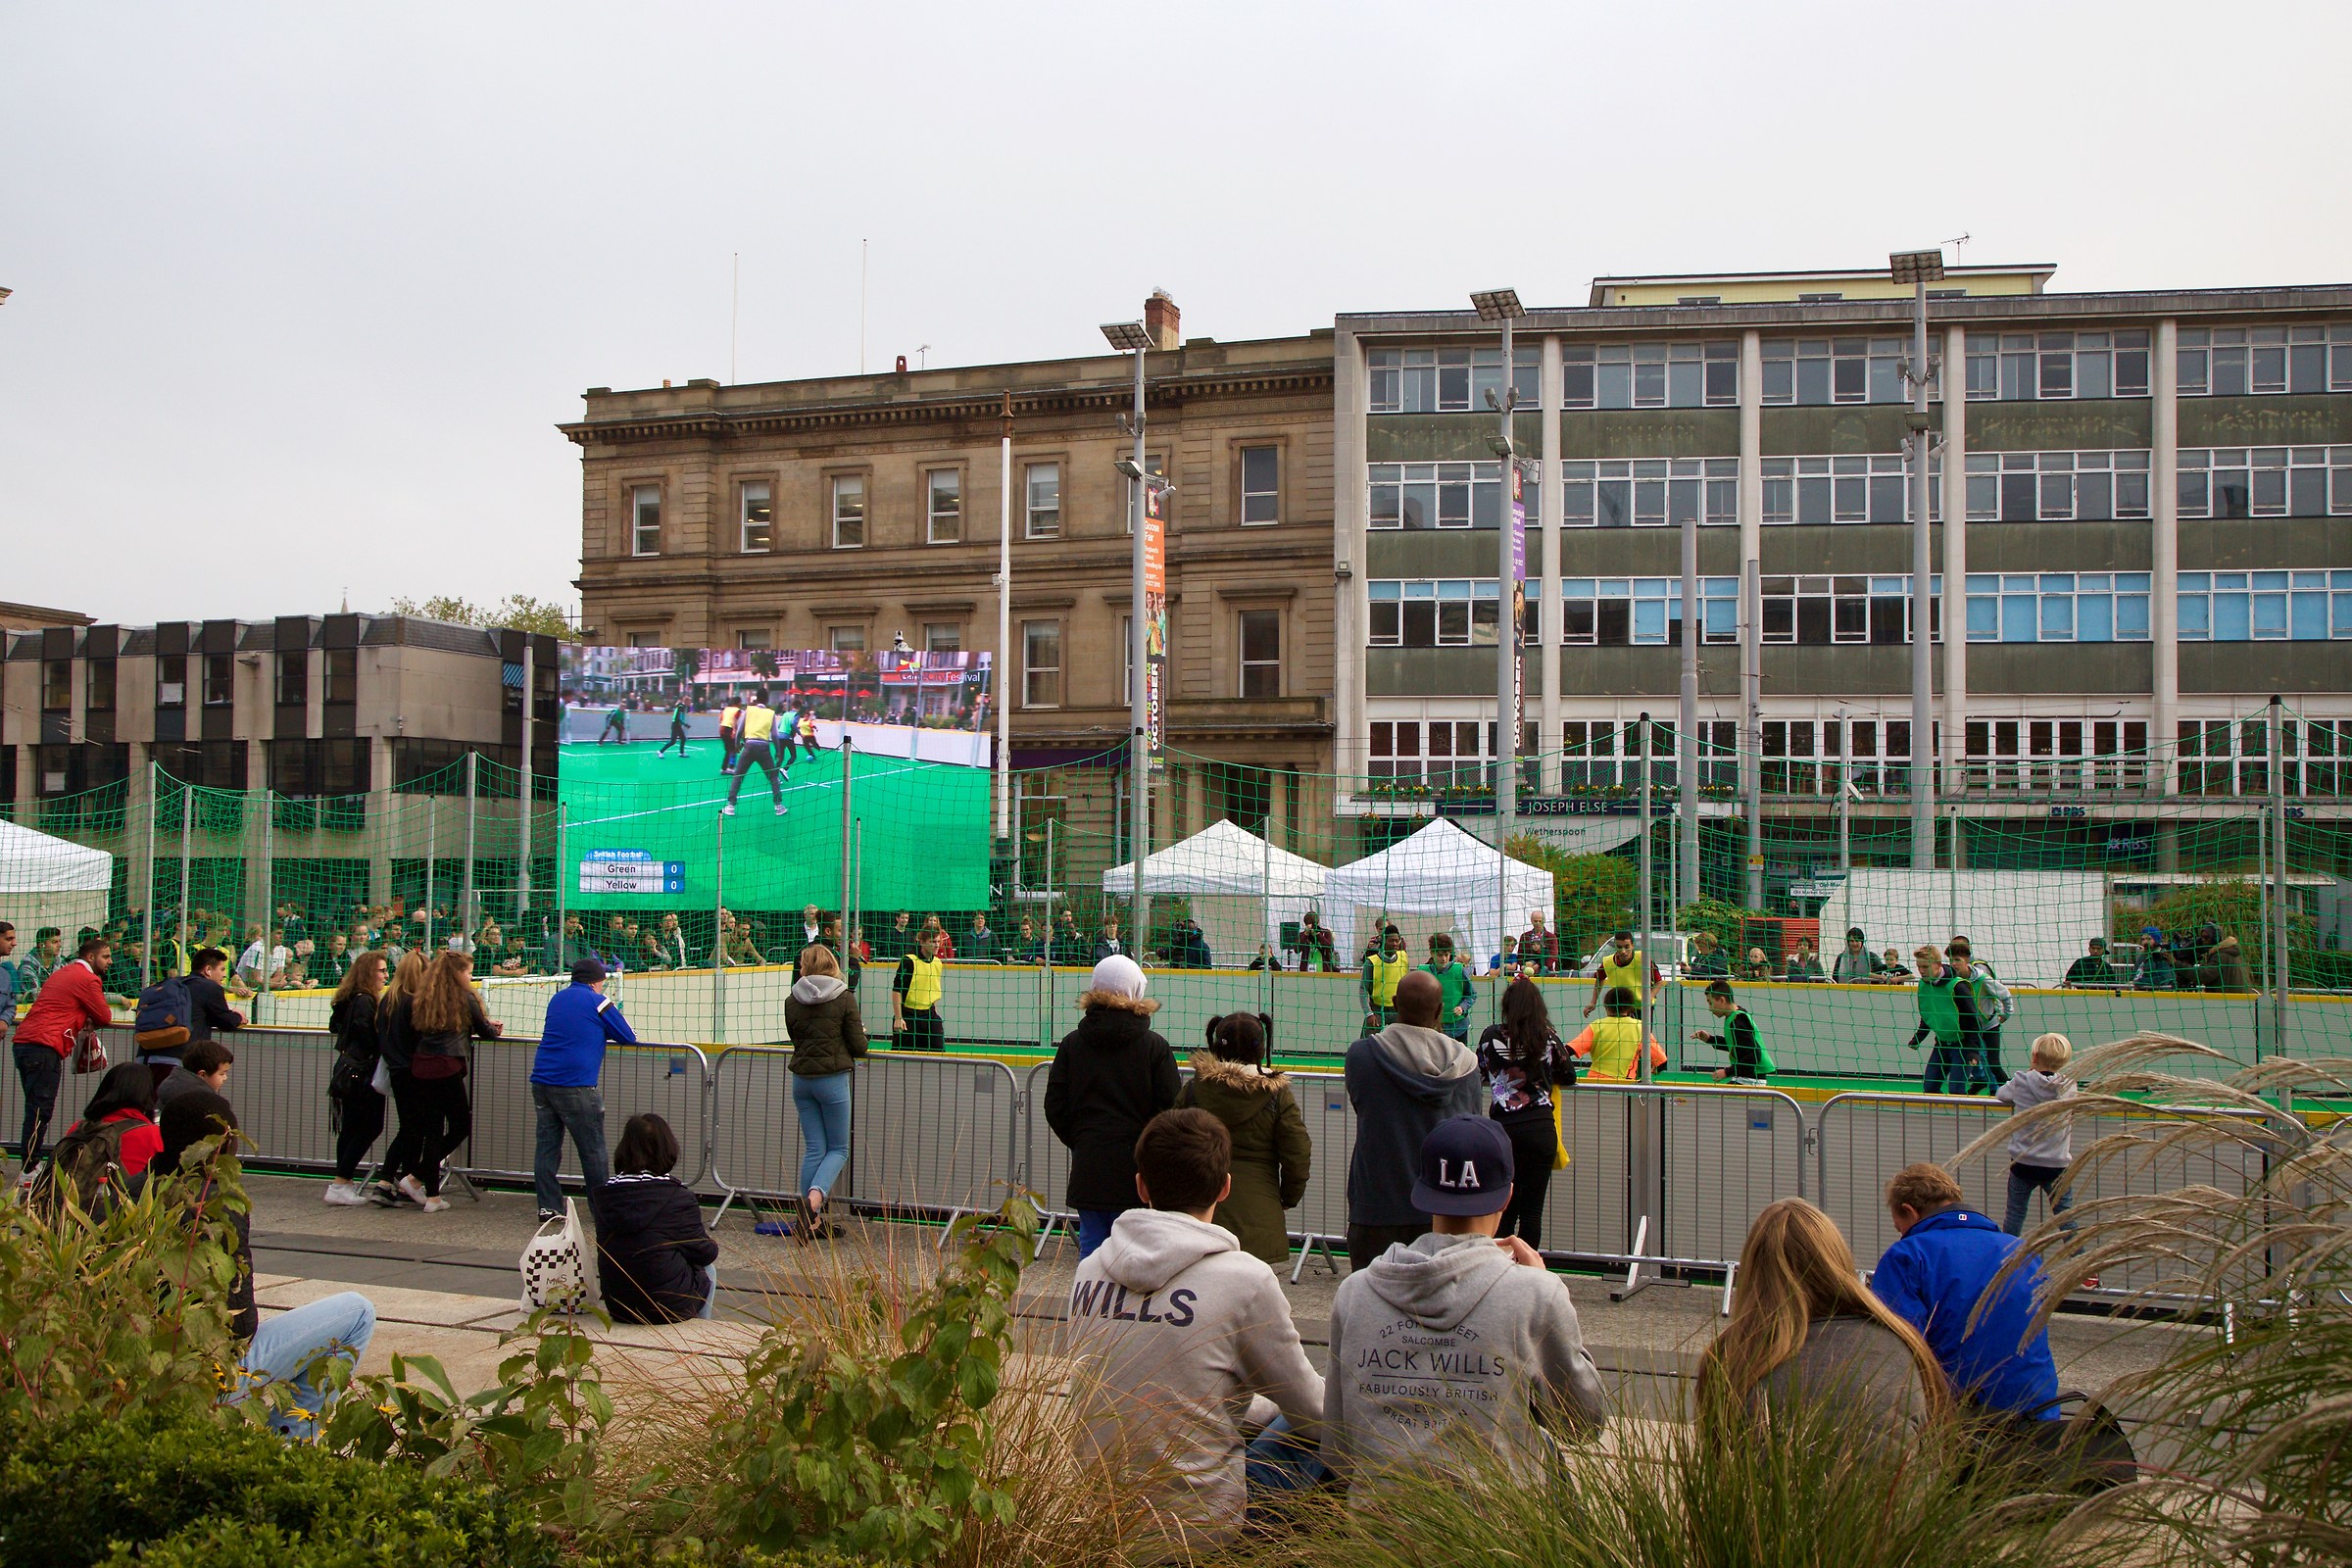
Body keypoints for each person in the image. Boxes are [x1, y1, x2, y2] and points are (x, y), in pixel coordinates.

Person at [1062, 1107, 1328, 1549]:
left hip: (1101, 1517)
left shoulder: (1090, 1270)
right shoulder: (1245, 1280)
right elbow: (1313, 1414)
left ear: (1141, 1186)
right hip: (1199, 1529)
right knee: (1336, 1426)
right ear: (1224, 1187)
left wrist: (1256, 1411)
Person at [1326, 1116, 1607, 1496]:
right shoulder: (1535, 1294)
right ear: (1508, 1195)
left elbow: (1339, 1451)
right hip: (1500, 1537)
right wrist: (1546, 1286)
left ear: (1421, 1191)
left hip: (1380, 1533)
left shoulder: (1354, 1293)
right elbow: (1583, 1424)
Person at [159, 1091, 378, 1439]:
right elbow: (242, 1322)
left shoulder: (133, 1190)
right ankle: (293, 1443)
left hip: (145, 1370)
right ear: (224, 1146)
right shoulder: (220, 1205)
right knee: (358, 1312)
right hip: (208, 1377)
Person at [1697, 1198, 1948, 1438]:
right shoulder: (1902, 1343)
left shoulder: (1732, 1354)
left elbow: (1720, 1456)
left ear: (1754, 1269)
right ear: (1837, 1258)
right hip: (1896, 1482)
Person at [1872, 1163, 2061, 1423]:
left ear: (1909, 1211)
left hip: (1959, 1420)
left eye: (1899, 1226)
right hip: (2037, 1415)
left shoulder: (1907, 1256)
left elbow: (1896, 1349)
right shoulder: (2022, 1251)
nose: (1902, 1234)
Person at [1343, 968, 1484, 1269]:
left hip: (1377, 1206)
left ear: (1394, 1003)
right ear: (1440, 1010)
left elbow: (1362, 1105)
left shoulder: (1362, 1056)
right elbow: (1472, 1127)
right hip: (1444, 1210)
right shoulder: (1468, 1066)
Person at [1044, 955, 1181, 1258]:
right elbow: (1171, 1109)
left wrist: (1082, 1138)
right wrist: (1149, 1148)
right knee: (1133, 1254)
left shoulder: (1073, 1044)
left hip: (1090, 1162)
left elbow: (1055, 1105)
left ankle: (1089, 1306)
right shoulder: (1154, 1047)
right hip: (1138, 1169)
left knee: (1092, 1247)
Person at [1176, 1012, 1309, 1266]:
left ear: (1216, 1045)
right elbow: (1297, 1154)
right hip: (1259, 1217)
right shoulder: (1277, 1095)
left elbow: (1171, 1147)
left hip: (1200, 1214)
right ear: (1261, 1047)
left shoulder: (1194, 1090)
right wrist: (1288, 1197)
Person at [1475, 976, 1577, 1250]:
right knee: (1532, 1211)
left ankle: (1499, 1269)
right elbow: (1569, 1075)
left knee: (1505, 1207)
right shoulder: (1547, 1037)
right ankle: (1529, 1271)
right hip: (1540, 1128)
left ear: (1506, 1005)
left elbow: (1480, 1071)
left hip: (1504, 1129)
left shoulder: (1490, 1035)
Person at [531, 957, 633, 1223]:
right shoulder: (598, 1001)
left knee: (547, 1147)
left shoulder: (557, 998)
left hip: (542, 1080)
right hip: (575, 1083)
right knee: (593, 1150)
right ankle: (601, 1209)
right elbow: (627, 1035)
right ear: (597, 981)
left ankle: (548, 1206)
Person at [593, 1112, 721, 1323]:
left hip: (619, 1305)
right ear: (667, 1149)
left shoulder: (606, 1195)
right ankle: (700, 1329)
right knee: (708, 1270)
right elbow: (705, 1252)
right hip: (666, 1307)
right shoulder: (678, 1197)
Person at [403, 951, 502, 1212]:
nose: (471, 977)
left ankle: (431, 1195)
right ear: (457, 973)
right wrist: (493, 1028)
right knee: (460, 1126)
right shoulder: (464, 998)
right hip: (446, 1066)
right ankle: (416, 1178)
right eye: (468, 972)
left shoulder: (426, 997)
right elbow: (486, 1031)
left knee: (433, 1130)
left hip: (423, 1066)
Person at [14, 934, 116, 1174]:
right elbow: (104, 1016)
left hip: (25, 1042)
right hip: (44, 1045)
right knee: (40, 1109)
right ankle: (29, 1168)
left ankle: (29, 1163)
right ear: (90, 957)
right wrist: (88, 1017)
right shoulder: (88, 979)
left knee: (34, 1108)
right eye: (106, 956)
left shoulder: (63, 973)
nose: (110, 961)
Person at [785, 944, 866, 1242]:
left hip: (802, 1080)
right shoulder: (845, 998)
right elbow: (859, 1046)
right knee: (838, 1149)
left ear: (805, 967)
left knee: (814, 1149)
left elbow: (796, 1038)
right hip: (832, 1080)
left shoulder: (791, 1000)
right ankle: (813, 1202)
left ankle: (808, 1222)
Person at [1995, 1033, 2080, 1238]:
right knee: (2065, 1215)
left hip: (2023, 1162)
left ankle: (2007, 1258)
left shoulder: (2021, 1080)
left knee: (2015, 1213)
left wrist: (2030, 1073)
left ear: (2034, 1057)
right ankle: (2081, 1258)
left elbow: (2001, 1094)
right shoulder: (2069, 1086)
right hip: (2056, 1164)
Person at [323, 950, 388, 1205]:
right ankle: (341, 1181)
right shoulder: (365, 1001)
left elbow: (335, 1026)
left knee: (351, 1128)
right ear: (368, 973)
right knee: (369, 1126)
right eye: (381, 971)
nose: (385, 975)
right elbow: (366, 1035)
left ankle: (343, 1182)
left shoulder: (350, 998)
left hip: (351, 1070)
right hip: (362, 1072)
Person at [55, 1060, 166, 1181]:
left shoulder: (79, 1129)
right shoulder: (153, 1135)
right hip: (125, 1198)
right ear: (147, 1094)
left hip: (71, 1198)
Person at [1905, 945, 1982, 1096]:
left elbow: (1973, 1020)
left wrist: (1973, 1050)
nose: (1921, 971)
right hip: (1941, 1043)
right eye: (1918, 966)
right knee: (1930, 1087)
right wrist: (1918, 1038)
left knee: (1956, 1091)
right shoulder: (1923, 985)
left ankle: (1962, 1116)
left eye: (1925, 967)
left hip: (1962, 1045)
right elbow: (1928, 1014)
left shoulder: (1957, 987)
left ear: (1938, 965)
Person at [1947, 936, 2013, 1093]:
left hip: (1988, 1024)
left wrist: (2006, 1014)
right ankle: (1981, 1080)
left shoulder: (1982, 976)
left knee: (1992, 1062)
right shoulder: (1952, 978)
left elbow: (2004, 994)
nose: (1954, 963)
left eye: (1957, 959)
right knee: (1971, 1057)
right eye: (1951, 960)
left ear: (1967, 958)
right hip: (1969, 1027)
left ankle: (2005, 1089)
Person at [1568, 986, 1668, 1080]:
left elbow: (1569, 1050)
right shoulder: (1640, 1028)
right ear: (1630, 1008)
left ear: (1606, 1006)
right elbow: (1662, 1062)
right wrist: (1657, 1069)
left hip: (1594, 1082)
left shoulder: (1596, 1025)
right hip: (1622, 1084)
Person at [721, 691, 787, 817]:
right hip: (764, 747)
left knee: (738, 775)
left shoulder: (749, 710)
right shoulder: (770, 713)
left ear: (756, 699)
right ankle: (778, 806)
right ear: (767, 700)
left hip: (749, 745)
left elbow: (740, 730)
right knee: (773, 777)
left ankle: (730, 806)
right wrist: (778, 751)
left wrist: (737, 745)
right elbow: (774, 735)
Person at [891, 927, 948, 1052]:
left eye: (938, 942)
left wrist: (933, 1010)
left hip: (929, 1015)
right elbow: (897, 990)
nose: (936, 945)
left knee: (937, 1054)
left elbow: (932, 989)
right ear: (922, 942)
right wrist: (898, 1018)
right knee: (901, 1058)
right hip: (909, 1015)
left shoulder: (938, 962)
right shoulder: (909, 960)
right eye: (932, 942)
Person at [1423, 933, 1475, 1043]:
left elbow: (1471, 995)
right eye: (1440, 955)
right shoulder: (1424, 972)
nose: (1444, 959)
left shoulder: (1459, 971)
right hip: (1433, 1028)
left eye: (1447, 955)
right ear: (1432, 953)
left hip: (1458, 1027)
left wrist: (1462, 1007)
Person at [156, 1038, 233, 1111]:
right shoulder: (205, 1102)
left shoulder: (169, 1087)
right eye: (222, 1073)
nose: (225, 1077)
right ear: (202, 1075)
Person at [1584, 931, 1647, 1018]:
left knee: (1641, 1032)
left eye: (1626, 946)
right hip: (1620, 1009)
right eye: (1619, 947)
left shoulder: (1642, 958)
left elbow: (1658, 981)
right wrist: (1593, 1001)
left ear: (1632, 946)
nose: (1623, 951)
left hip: (1642, 1008)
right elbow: (1599, 979)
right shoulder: (1608, 962)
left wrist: (1649, 998)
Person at [1359, 925, 1409, 1030]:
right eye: (1391, 941)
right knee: (1367, 1043)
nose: (1394, 944)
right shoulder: (1371, 962)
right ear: (1384, 941)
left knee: (1401, 1044)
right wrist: (1369, 1014)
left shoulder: (1403, 957)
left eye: (1397, 941)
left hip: (1397, 1010)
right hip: (1377, 1010)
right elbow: (1363, 989)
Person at [717, 697, 743, 775]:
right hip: (730, 730)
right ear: (738, 703)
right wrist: (735, 730)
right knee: (732, 749)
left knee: (729, 749)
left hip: (722, 729)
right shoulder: (737, 710)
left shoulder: (726, 709)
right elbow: (735, 720)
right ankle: (728, 768)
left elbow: (720, 718)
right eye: (740, 702)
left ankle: (726, 768)